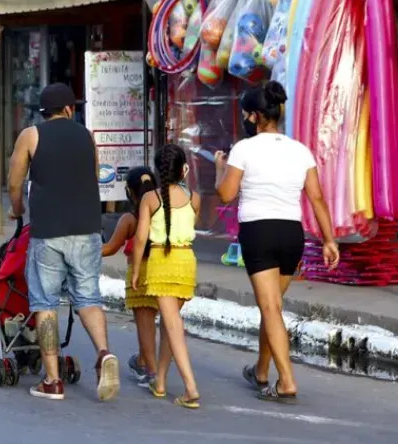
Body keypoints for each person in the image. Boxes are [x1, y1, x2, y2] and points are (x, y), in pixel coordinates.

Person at [215, 81, 341, 404]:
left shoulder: (244, 149)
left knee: (270, 307)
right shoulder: (300, 150)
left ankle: (286, 381)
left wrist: (219, 170)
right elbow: (316, 198)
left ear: (256, 117)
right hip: (291, 235)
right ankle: (260, 371)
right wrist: (329, 241)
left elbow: (226, 194)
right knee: (273, 307)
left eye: (246, 114)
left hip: (259, 232)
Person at [7, 82, 119, 402]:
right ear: (70, 109)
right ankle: (103, 353)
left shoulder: (31, 135)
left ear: (43, 112)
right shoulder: (86, 136)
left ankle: (53, 380)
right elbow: (94, 175)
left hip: (48, 232)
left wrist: (17, 210)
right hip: (85, 229)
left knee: (45, 304)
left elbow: (14, 183)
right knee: (88, 297)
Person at [132, 145, 200, 407]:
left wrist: (137, 269)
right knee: (171, 324)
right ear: (183, 169)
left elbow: (140, 239)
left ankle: (190, 387)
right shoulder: (194, 197)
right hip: (186, 261)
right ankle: (159, 381)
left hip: (161, 261)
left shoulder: (150, 199)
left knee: (173, 326)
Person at [102, 166, 162, 389]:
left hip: (139, 274)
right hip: (163, 270)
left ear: (130, 192)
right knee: (156, 323)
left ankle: (151, 370)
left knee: (144, 324)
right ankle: (143, 361)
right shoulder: (161, 213)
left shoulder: (129, 219)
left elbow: (110, 248)